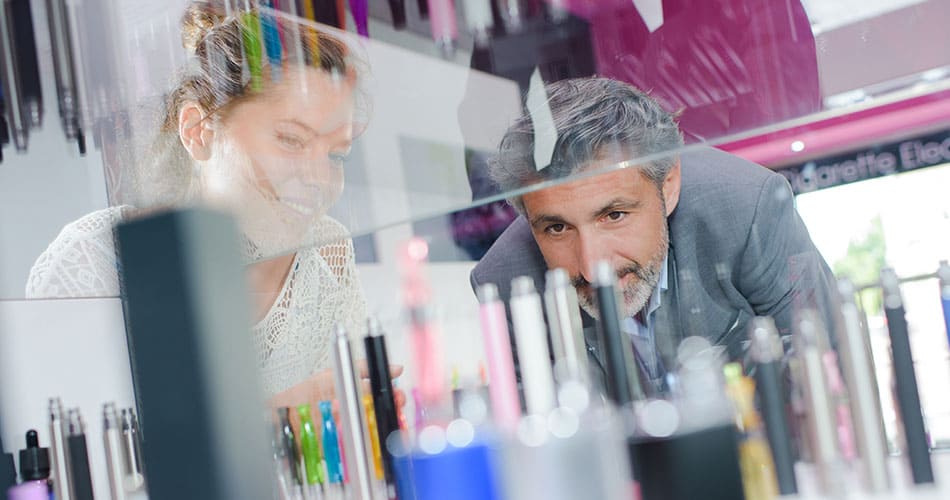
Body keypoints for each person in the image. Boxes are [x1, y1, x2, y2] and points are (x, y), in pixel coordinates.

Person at [25, 1, 394, 407]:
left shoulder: (329, 249)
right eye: (291, 140)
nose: (321, 180)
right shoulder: (90, 263)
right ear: (198, 132)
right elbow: (64, 456)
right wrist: (275, 423)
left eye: (336, 155)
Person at [471, 77, 838, 394]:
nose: (591, 265)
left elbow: (829, 371)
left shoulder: (749, 211)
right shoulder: (506, 282)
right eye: (557, 228)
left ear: (670, 185)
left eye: (614, 215)